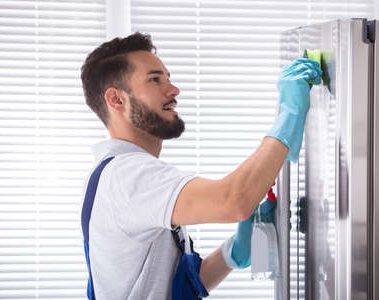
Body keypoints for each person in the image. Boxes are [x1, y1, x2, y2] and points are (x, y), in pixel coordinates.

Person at [79, 32, 321, 299]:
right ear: (117, 100)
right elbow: (234, 201)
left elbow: (176, 287)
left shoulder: (118, 174)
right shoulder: (127, 175)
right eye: (155, 79)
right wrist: (290, 114)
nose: (173, 90)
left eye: (168, 78)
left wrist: (233, 253)